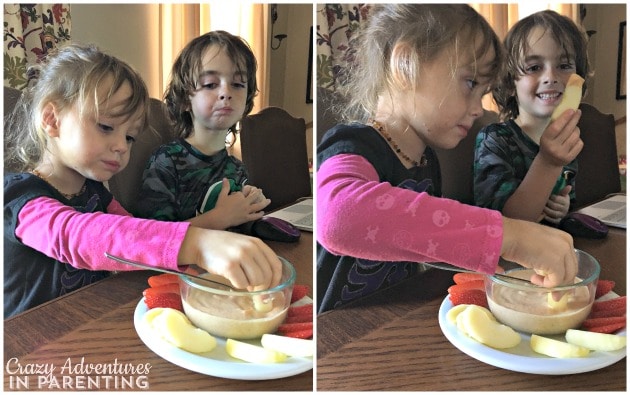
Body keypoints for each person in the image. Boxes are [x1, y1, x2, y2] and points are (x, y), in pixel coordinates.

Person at [316, 4, 578, 313]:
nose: (478, 108)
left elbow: (418, 240)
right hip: (336, 337)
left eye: (482, 92)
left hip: (390, 317)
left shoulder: (426, 159)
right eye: (470, 83)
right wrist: (511, 237)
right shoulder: (353, 144)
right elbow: (339, 216)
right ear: (406, 65)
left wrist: (480, 265)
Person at [4, 43, 282, 318]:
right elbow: (75, 235)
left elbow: (140, 237)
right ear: (52, 120)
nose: (122, 147)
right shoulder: (20, 197)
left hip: (86, 321)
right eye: (106, 127)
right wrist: (197, 244)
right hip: (29, 345)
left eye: (129, 136)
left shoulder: (96, 194)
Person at [136, 31, 269, 231]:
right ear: (184, 100)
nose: (226, 92)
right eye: (210, 84)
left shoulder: (237, 169)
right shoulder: (166, 161)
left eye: (238, 84)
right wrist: (220, 218)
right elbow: (154, 237)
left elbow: (239, 233)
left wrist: (251, 208)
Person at [473, 10, 589, 224]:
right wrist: (549, 161)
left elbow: (567, 194)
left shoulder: (567, 140)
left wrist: (562, 207)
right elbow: (501, 224)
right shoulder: (495, 140)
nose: (551, 77)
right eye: (534, 67)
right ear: (509, 83)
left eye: (564, 66)